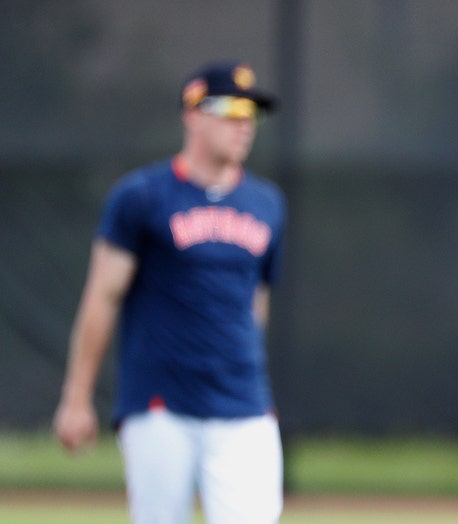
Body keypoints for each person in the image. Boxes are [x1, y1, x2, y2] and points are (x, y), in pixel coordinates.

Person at [53, 61, 287, 524]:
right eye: (231, 109)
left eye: (252, 113)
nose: (244, 124)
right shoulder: (142, 197)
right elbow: (102, 296)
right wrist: (77, 397)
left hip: (242, 403)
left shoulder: (268, 204)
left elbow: (256, 302)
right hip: (161, 405)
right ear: (193, 113)